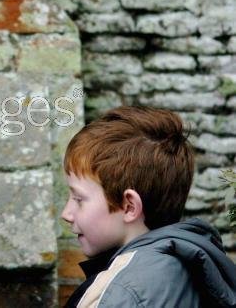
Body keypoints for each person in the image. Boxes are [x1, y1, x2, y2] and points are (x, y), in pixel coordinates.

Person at [61, 106, 236, 307]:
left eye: (79, 199)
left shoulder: (125, 293)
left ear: (129, 207)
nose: (66, 213)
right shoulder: (186, 266)